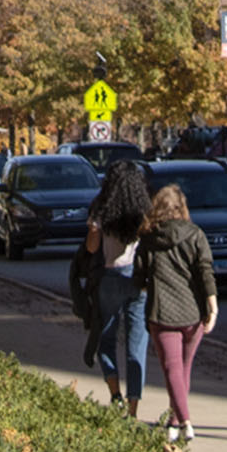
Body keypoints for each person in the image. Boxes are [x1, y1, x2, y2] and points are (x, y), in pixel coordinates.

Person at [141, 182, 220, 443]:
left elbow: (139, 276)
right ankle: (175, 424)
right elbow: (205, 269)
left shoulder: (149, 239)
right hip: (193, 312)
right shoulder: (195, 234)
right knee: (183, 370)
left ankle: (184, 421)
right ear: (182, 208)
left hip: (162, 312)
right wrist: (212, 304)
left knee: (172, 369)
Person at [73, 160, 154, 415]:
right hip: (138, 278)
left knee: (105, 338)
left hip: (109, 276)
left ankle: (115, 393)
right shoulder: (143, 209)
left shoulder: (102, 207)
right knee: (136, 344)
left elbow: (91, 248)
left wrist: (93, 231)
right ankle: (133, 407)